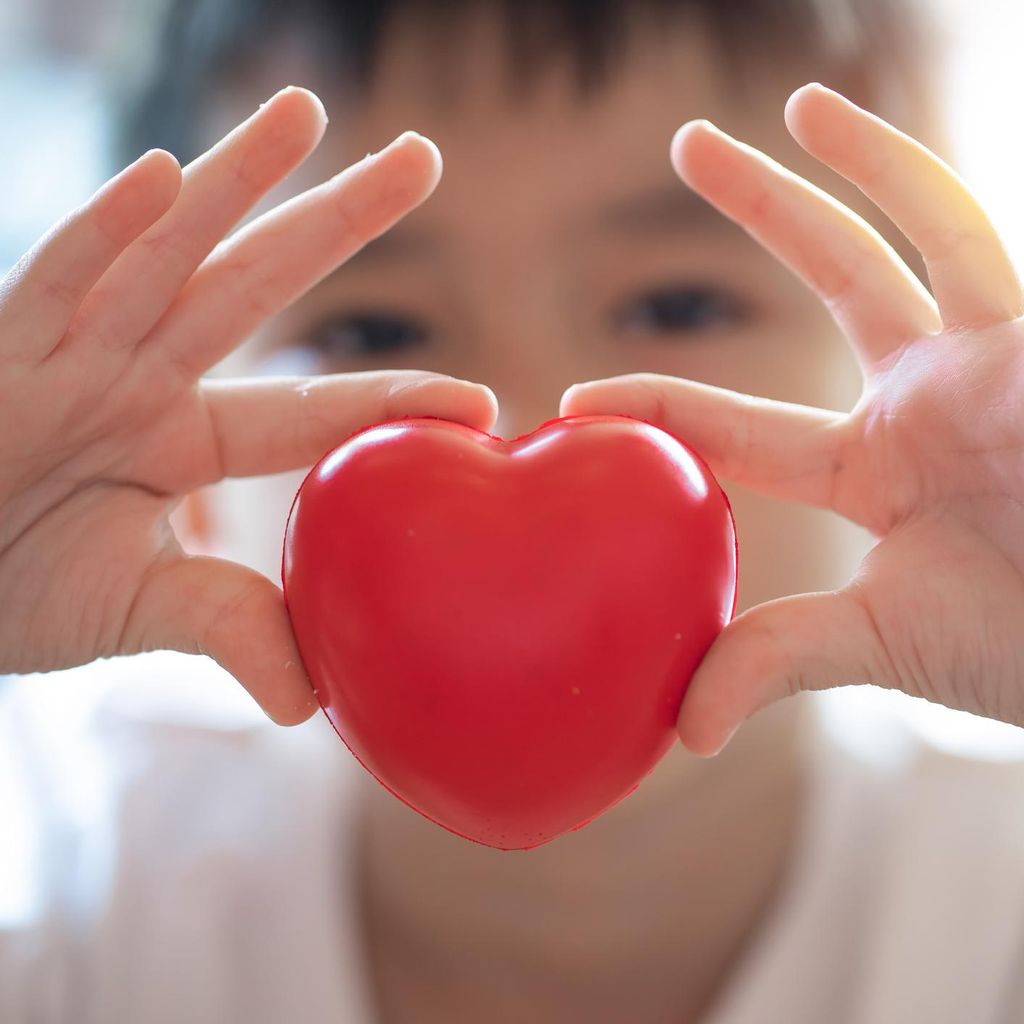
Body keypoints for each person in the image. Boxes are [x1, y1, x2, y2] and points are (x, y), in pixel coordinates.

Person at [2, 0, 1024, 1020]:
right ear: (189, 488)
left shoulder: (994, 909)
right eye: (371, 325)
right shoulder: (78, 902)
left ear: (891, 380)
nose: (524, 412)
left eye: (679, 308)